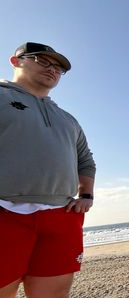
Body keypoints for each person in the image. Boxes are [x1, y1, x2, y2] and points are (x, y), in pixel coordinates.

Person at [0, 42, 96, 298]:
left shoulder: (67, 118)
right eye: (43, 61)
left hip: (60, 216)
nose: (52, 69)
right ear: (16, 61)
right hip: (5, 214)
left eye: (58, 68)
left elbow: (85, 160)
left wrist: (86, 195)